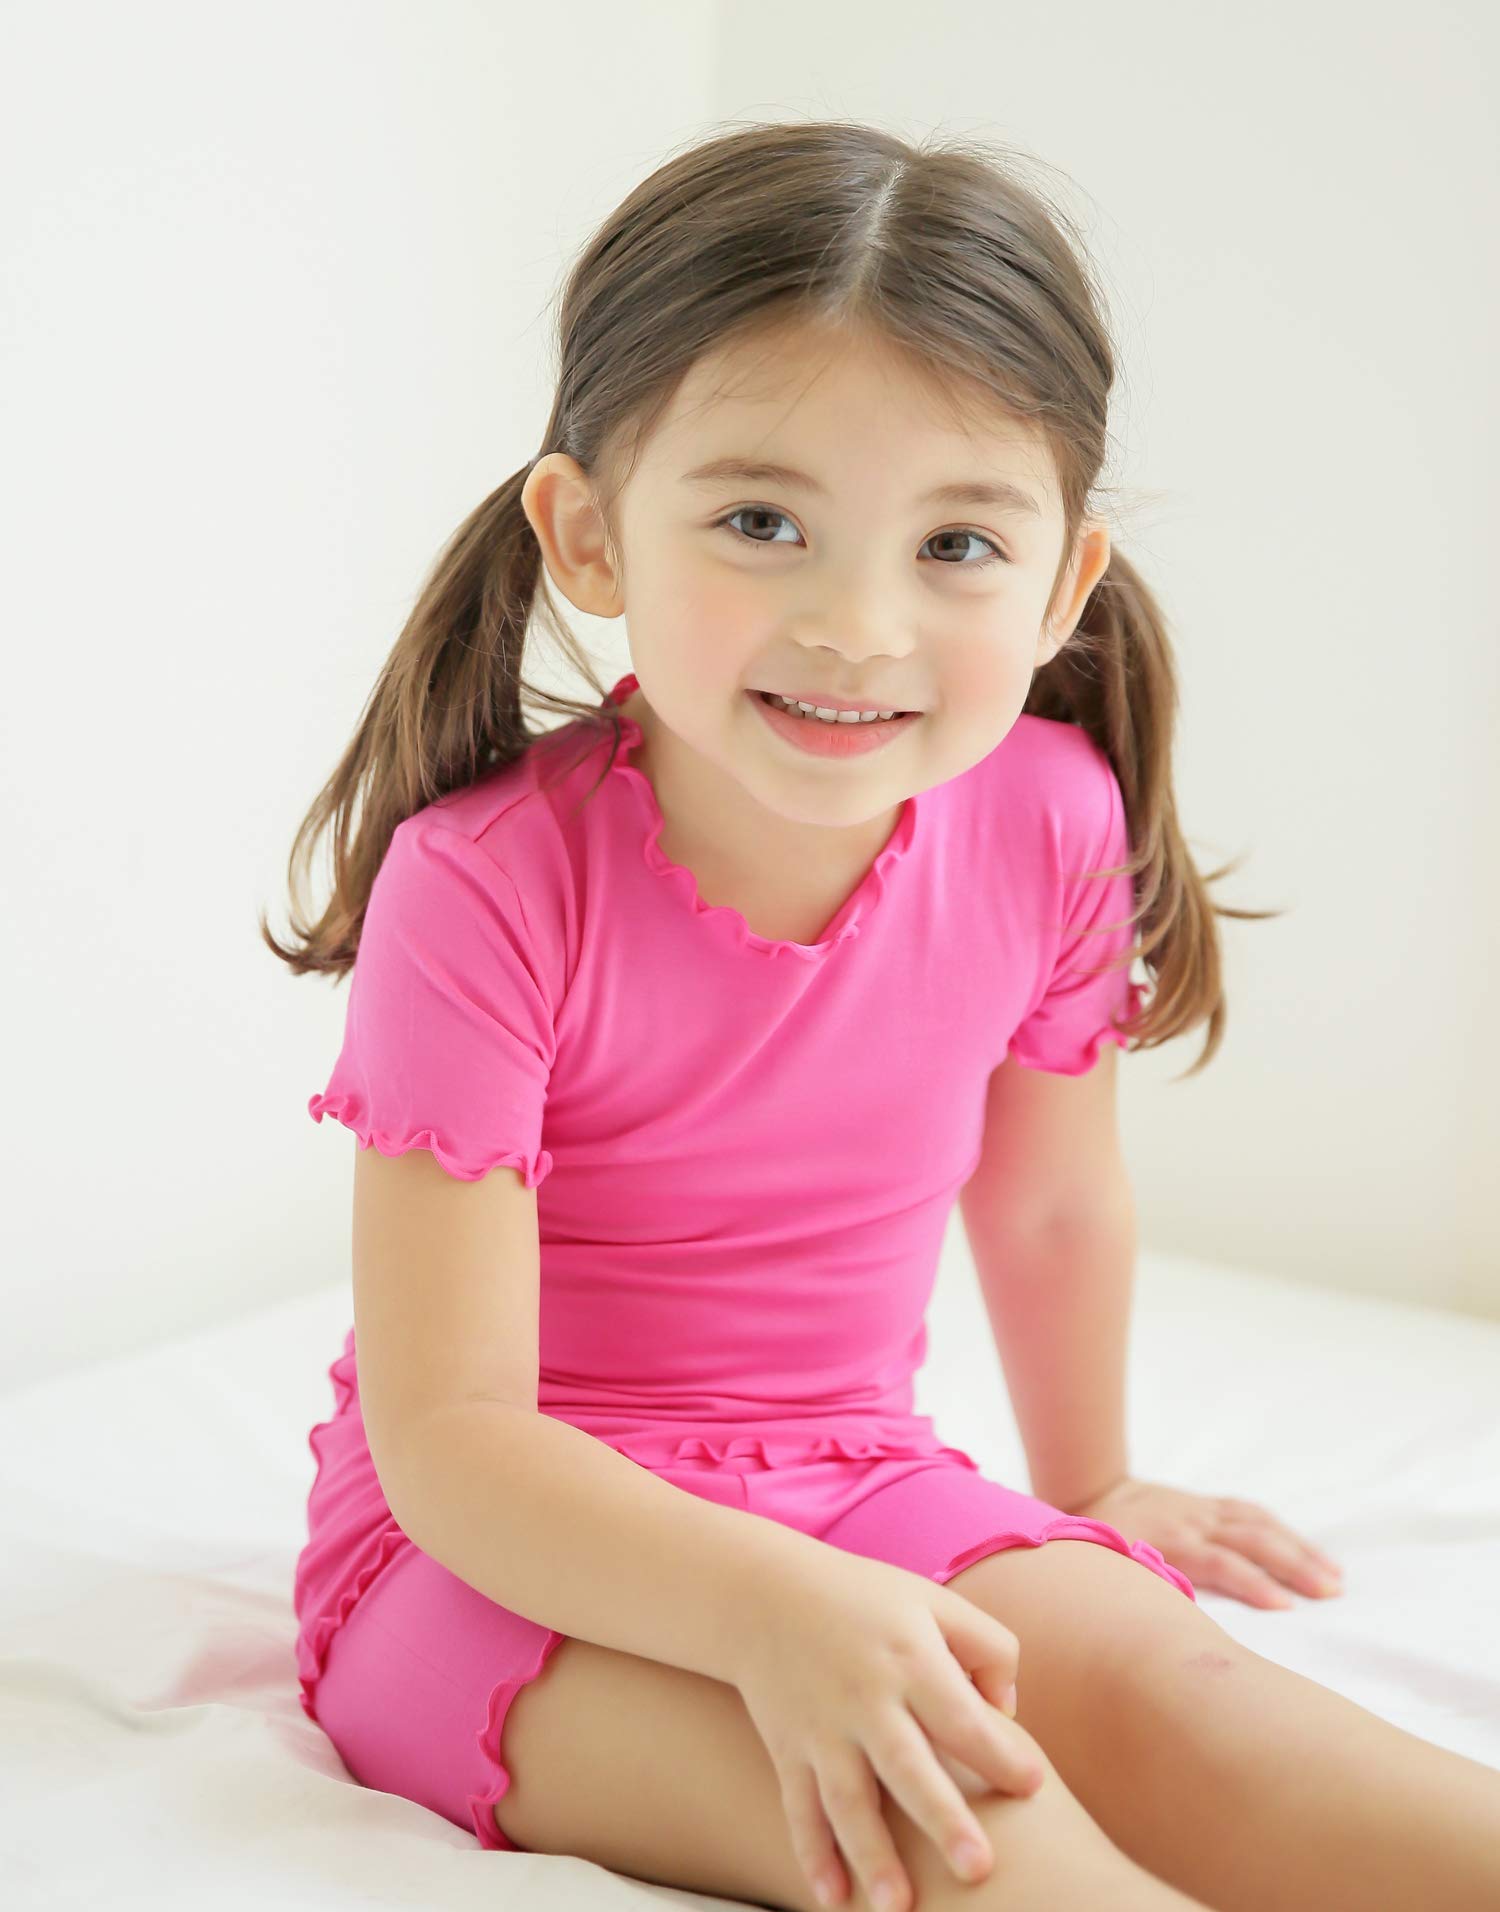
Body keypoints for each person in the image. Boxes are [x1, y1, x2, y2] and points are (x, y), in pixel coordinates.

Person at [263, 120, 1500, 1912]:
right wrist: (776, 1611)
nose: (856, 625)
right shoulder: (485, 883)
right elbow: (454, 1444)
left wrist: (1094, 1485)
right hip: (494, 1561)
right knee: (958, 1828)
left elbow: (1050, 1200)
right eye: (761, 523)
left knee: (1203, 1710)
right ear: (590, 534)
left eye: (957, 543)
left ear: (1064, 583)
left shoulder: (1052, 817)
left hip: (857, 1480)